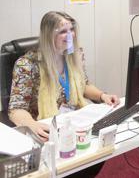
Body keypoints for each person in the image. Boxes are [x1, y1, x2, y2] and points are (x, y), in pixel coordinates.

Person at [8, 11, 120, 142]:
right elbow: (16, 109)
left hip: (75, 121)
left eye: (71, 29)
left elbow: (84, 85)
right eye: (62, 31)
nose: (70, 35)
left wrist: (102, 96)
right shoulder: (27, 65)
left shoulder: (75, 55)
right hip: (47, 128)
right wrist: (32, 125)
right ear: (48, 35)